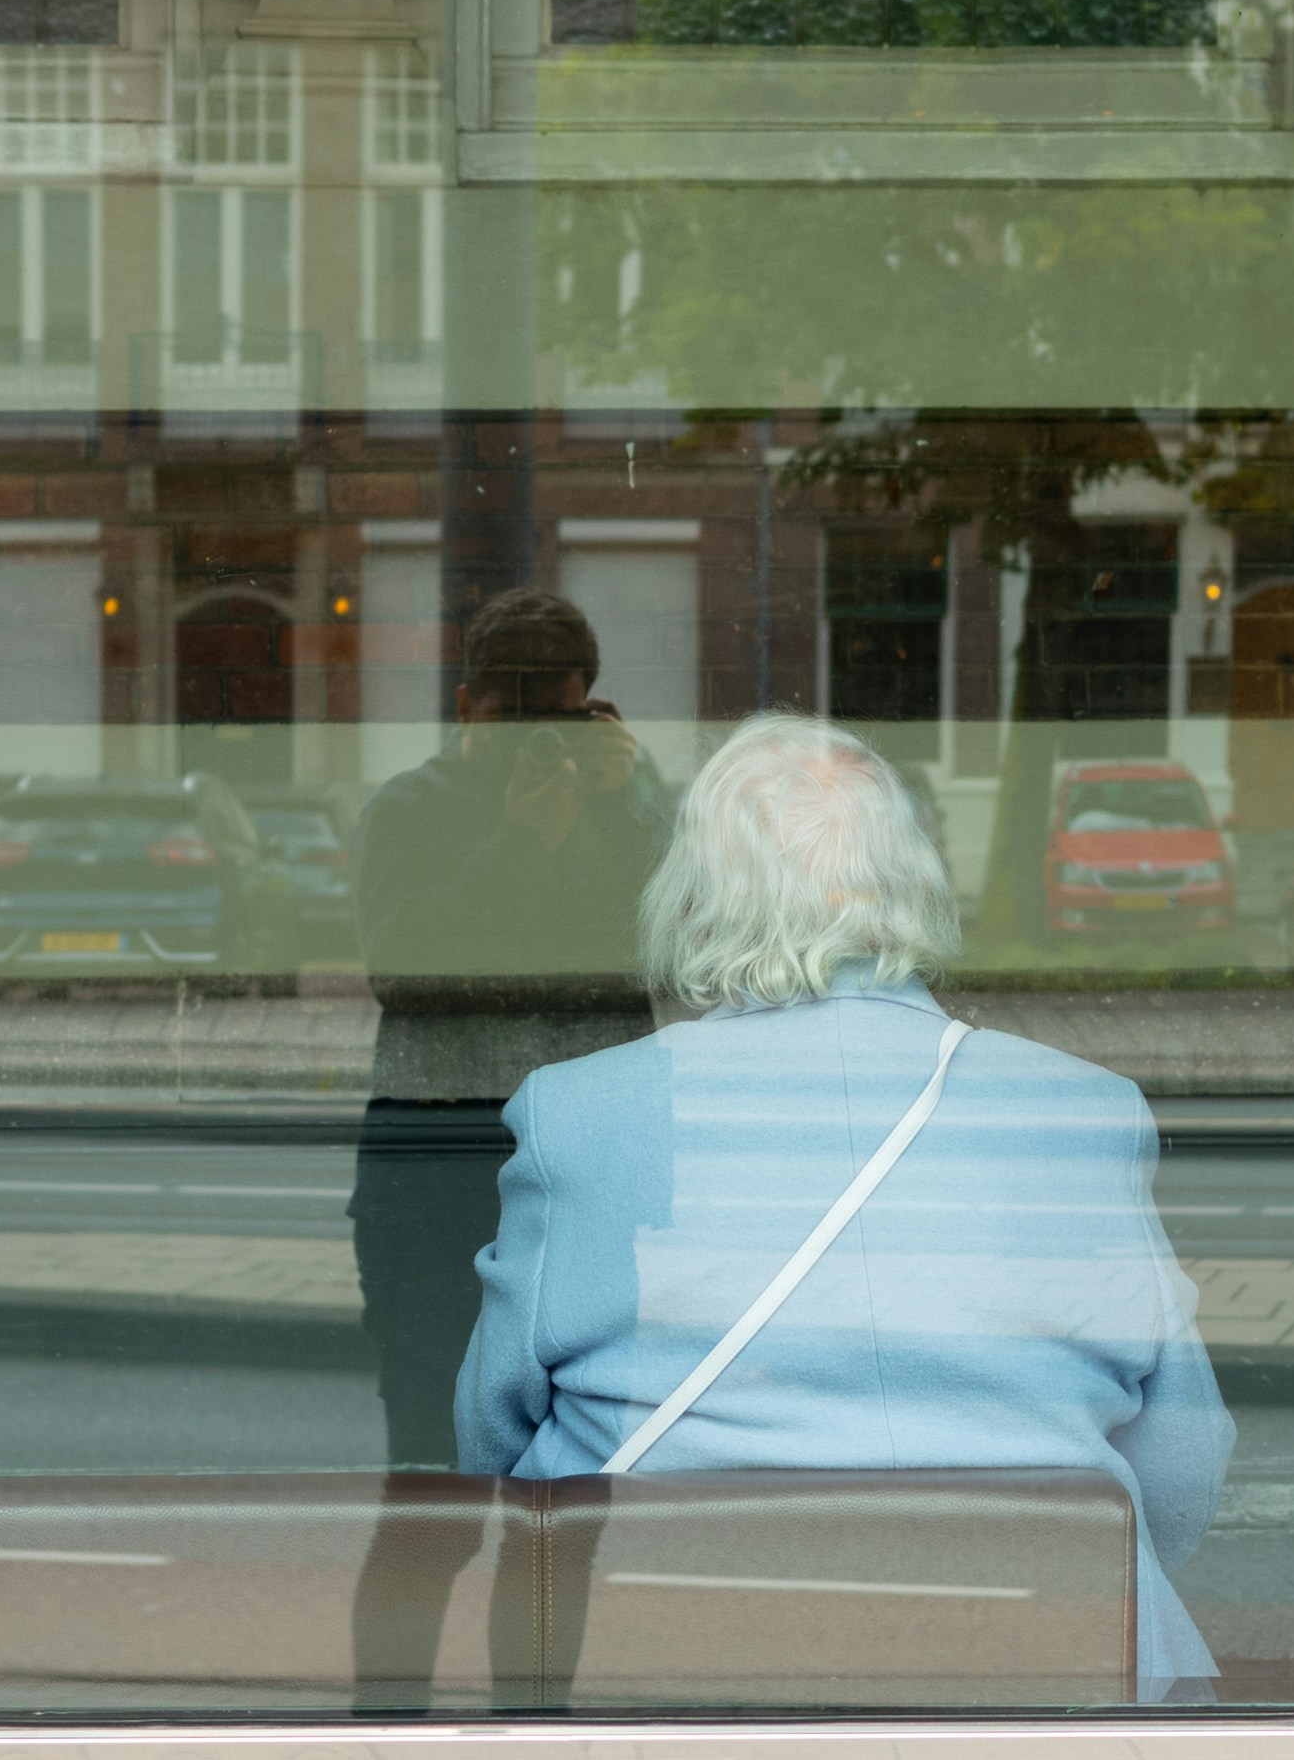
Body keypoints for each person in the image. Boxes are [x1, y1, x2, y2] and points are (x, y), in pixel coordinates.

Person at [458, 710, 1226, 1701]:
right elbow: (1181, 1467)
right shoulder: (1082, 1109)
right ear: (910, 883)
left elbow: (495, 1446)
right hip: (1042, 1690)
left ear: (693, 897)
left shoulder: (582, 1112)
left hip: (670, 1695)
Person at [347, 589, 673, 1467]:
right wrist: (523, 843)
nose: (537, 744)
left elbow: (668, 952)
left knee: (574, 1491)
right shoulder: (411, 808)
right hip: (435, 1162)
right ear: (464, 709)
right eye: (513, 721)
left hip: (589, 1166)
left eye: (559, 722)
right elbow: (404, 970)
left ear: (593, 716)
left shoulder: (618, 811)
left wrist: (623, 799)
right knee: (426, 1465)